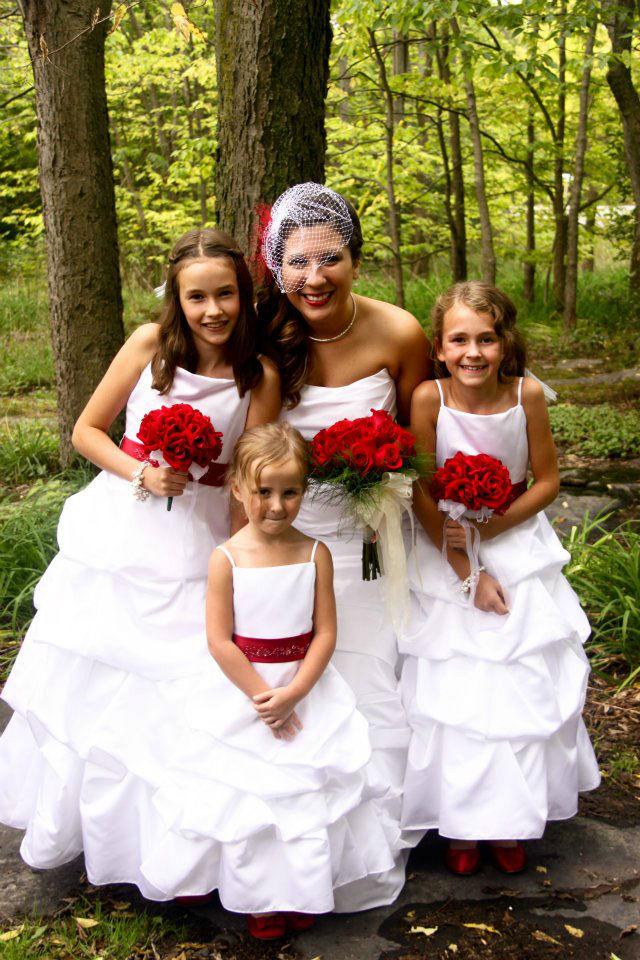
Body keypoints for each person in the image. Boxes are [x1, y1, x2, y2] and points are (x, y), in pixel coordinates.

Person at [0, 229, 280, 896]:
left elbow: (250, 471)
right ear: (176, 300)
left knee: (188, 682)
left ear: (244, 295)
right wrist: (141, 474)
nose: (212, 310)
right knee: (100, 682)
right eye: (197, 297)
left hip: (202, 535)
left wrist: (243, 560)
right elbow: (86, 430)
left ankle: (173, 841)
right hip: (126, 527)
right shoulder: (150, 347)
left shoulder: (258, 375)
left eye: (225, 295)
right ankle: (88, 833)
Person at [259, 182, 431, 907]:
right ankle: (297, 830)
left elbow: (423, 440)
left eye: (330, 258)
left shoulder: (399, 331)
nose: (315, 277)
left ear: (355, 259)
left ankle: (380, 824)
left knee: (371, 675)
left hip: (374, 534)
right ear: (277, 268)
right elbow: (260, 449)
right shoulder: (267, 341)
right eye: (297, 262)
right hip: (293, 535)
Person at [400, 281, 600, 875]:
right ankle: (462, 825)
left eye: (486, 338)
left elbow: (546, 480)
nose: (473, 352)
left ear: (504, 342)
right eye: (459, 339)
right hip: (447, 547)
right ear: (438, 348)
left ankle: (510, 819)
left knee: (518, 684)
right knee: (458, 692)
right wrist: (468, 570)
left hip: (514, 540)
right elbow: (420, 488)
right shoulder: (428, 399)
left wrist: (494, 528)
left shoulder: (527, 395)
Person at [192, 422, 399, 937]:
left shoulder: (314, 553)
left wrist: (297, 693)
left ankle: (306, 887)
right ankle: (260, 894)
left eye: (290, 492)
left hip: (306, 686)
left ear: (305, 490)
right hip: (248, 690)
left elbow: (325, 632)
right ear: (238, 489)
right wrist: (266, 699)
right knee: (257, 796)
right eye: (263, 492)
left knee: (309, 791)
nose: (277, 506)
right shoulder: (226, 559)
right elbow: (220, 641)